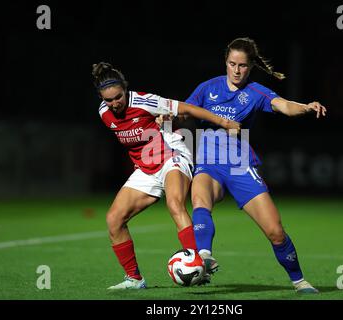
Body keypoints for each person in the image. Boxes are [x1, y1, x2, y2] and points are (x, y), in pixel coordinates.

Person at [186, 37, 327, 293]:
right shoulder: (208, 88)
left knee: (275, 232)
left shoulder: (255, 92)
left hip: (240, 166)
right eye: (232, 64)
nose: (236, 71)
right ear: (225, 63)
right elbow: (185, 109)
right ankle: (204, 255)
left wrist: (305, 107)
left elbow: (284, 105)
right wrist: (168, 114)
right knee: (199, 200)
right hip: (209, 163)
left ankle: (299, 280)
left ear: (251, 66)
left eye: (242, 65)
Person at [92, 62, 240, 289]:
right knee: (114, 220)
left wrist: (223, 122)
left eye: (118, 97)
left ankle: (198, 261)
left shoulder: (144, 101)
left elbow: (187, 109)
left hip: (172, 156)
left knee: (174, 203)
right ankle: (134, 279)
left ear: (125, 88)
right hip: (145, 169)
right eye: (108, 100)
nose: (114, 103)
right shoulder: (104, 112)